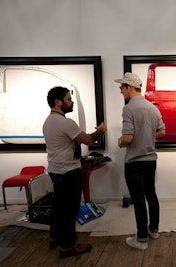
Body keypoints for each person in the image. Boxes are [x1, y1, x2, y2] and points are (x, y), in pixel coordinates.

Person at [43, 86, 107, 258]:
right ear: (58, 101)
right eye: (68, 99)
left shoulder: (48, 121)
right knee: (69, 210)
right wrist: (99, 131)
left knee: (58, 207)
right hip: (68, 172)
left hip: (55, 170)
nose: (71, 102)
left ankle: (55, 237)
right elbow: (87, 140)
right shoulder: (65, 122)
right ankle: (68, 246)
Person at [115, 72, 166, 250]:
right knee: (151, 194)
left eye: (122, 87)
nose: (121, 90)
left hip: (135, 162)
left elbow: (128, 138)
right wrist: (146, 135)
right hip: (151, 160)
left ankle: (142, 239)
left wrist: (120, 141)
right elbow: (162, 131)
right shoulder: (153, 108)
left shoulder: (128, 108)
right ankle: (154, 230)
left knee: (138, 200)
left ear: (129, 87)